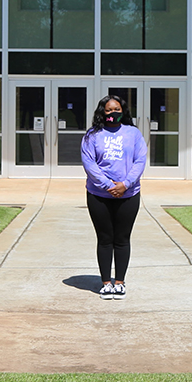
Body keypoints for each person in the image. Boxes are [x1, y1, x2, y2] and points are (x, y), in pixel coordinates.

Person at [81, 95, 147, 300]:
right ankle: (105, 283)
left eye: (116, 109)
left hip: (128, 194)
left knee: (122, 238)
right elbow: (89, 164)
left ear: (123, 111)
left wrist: (125, 184)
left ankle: (119, 282)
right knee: (104, 238)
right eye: (108, 110)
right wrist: (109, 186)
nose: (113, 113)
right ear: (102, 112)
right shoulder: (92, 135)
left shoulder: (133, 133)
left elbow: (140, 160)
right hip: (99, 195)